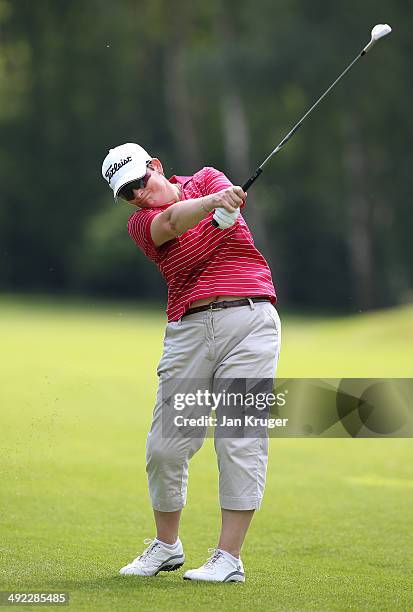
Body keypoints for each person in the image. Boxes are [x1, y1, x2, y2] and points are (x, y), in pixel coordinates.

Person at [101, 142, 281, 582]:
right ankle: (166, 546)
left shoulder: (207, 176)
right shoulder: (142, 224)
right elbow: (178, 240)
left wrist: (217, 206)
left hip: (251, 319)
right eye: (129, 193)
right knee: (166, 446)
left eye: (141, 182)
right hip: (190, 329)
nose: (140, 195)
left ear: (157, 166)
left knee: (239, 437)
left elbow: (210, 227)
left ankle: (228, 558)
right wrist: (216, 213)